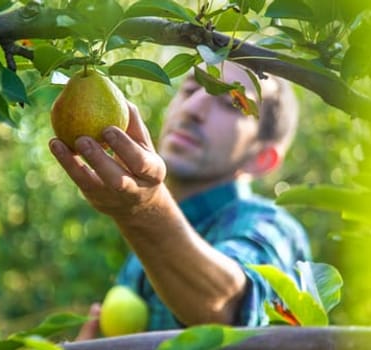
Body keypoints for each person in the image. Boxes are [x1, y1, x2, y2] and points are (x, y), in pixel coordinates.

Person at [50, 62, 313, 339]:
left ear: (261, 158)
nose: (192, 109)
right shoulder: (143, 255)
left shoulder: (275, 227)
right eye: (189, 89)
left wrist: (143, 210)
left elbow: (235, 307)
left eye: (230, 103)